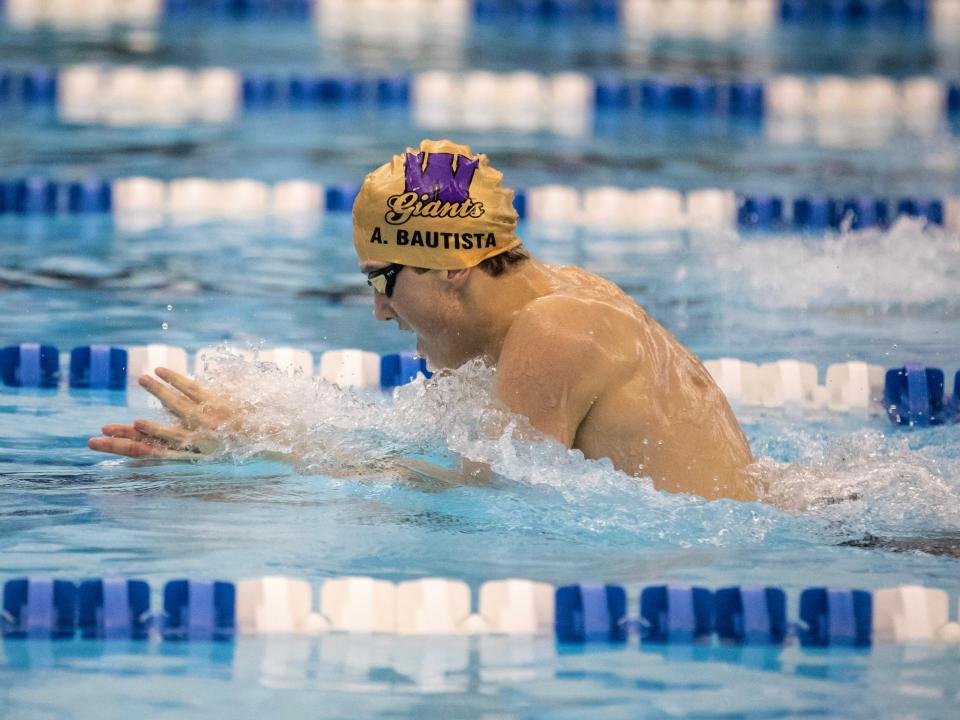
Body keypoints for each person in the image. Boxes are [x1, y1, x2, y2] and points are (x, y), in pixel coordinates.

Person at [89, 139, 757, 501]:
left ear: (451, 265)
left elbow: (487, 504)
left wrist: (262, 451)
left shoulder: (554, 332)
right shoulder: (552, 298)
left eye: (383, 280)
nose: (380, 309)